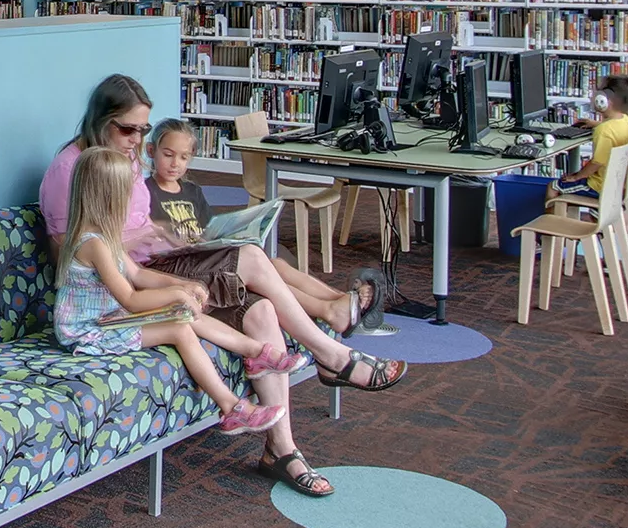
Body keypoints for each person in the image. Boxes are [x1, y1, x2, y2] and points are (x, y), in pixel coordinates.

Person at [42, 75, 407, 495]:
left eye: (144, 130)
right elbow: (70, 254)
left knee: (263, 301)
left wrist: (163, 235)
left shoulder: (122, 157)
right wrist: (148, 249)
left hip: (156, 263)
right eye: (128, 129)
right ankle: (331, 351)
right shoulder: (75, 170)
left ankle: (282, 448)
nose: (137, 140)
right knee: (254, 259)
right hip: (119, 289)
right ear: (100, 120)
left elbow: (134, 238)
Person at [54, 149, 293, 436]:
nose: (131, 202)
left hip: (110, 316)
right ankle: (231, 408)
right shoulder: (94, 244)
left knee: (184, 314)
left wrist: (180, 286)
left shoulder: (105, 237)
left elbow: (139, 274)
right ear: (109, 197)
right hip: (91, 328)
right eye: (126, 194)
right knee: (180, 329)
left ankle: (256, 352)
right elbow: (131, 298)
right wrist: (177, 295)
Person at [145, 117, 382, 330]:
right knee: (260, 272)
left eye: (184, 157)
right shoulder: (145, 192)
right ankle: (327, 310)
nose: (175, 163)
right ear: (151, 151)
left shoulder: (192, 190)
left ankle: (341, 298)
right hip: (181, 265)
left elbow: (209, 230)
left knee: (276, 263)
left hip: (203, 255)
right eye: (168, 155)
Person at [560, 77, 628, 197]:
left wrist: (576, 176)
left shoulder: (603, 131)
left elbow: (597, 163)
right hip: (616, 183)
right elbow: (614, 130)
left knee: (553, 188)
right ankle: (595, 213)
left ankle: (555, 216)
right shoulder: (626, 121)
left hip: (599, 185)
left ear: (604, 99)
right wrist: (596, 124)